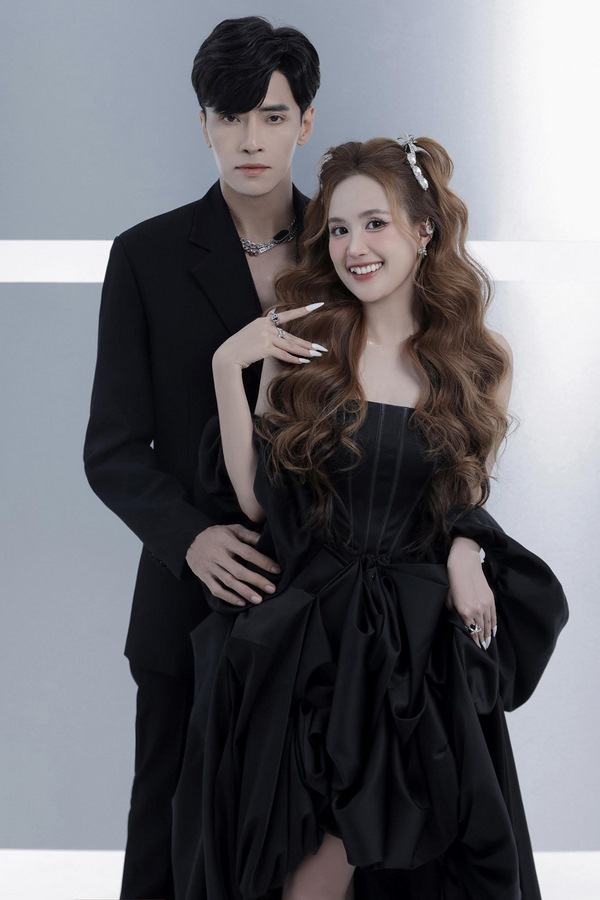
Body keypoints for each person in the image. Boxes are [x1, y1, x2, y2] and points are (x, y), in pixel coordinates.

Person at [171, 136, 568, 899]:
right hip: (313, 640)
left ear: (423, 229)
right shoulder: (304, 339)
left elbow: (464, 492)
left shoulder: (478, 358)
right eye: (338, 229)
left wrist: (465, 553)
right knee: (305, 868)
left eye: (375, 223)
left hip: (413, 648)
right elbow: (255, 499)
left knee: (425, 868)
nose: (354, 247)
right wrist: (228, 366)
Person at [83, 16, 320, 900]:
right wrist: (190, 539)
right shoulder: (144, 256)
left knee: (310, 835)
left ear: (304, 123)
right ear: (204, 125)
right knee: (167, 832)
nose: (250, 139)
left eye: (271, 116)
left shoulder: (349, 250)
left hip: (323, 594)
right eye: (230, 116)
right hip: (184, 605)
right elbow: (112, 448)